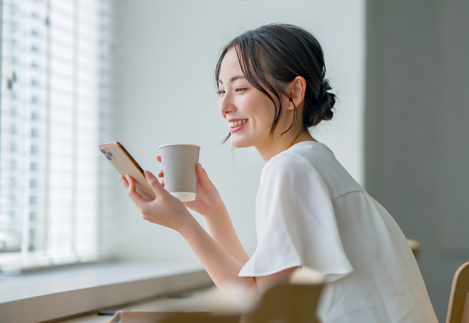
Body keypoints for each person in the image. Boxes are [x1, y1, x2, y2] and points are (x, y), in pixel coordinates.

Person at [120, 24, 438, 323]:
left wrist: (182, 223)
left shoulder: (289, 169)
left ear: (293, 93)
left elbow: (263, 310)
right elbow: (262, 289)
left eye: (240, 88)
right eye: (221, 91)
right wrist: (213, 212)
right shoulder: (312, 163)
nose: (225, 106)